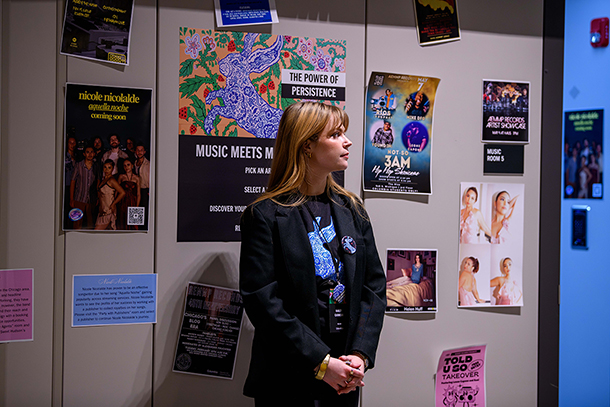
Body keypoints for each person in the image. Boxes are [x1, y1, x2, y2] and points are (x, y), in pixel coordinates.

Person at [239, 102, 386, 406]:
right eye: (335, 134)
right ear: (307, 145)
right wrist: (321, 363)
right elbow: (262, 301)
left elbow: (374, 289)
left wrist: (360, 354)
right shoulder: (264, 215)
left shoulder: (353, 210)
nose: (347, 142)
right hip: (287, 380)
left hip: (344, 376)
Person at [70, 145, 97, 229]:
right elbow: (73, 182)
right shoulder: (78, 166)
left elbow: (98, 183)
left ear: (94, 154)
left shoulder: (96, 166)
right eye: (87, 152)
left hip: (91, 200)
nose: (90, 154)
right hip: (79, 198)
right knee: (77, 223)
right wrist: (71, 199)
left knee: (90, 223)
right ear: (84, 154)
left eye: (92, 152)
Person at [95, 160, 125, 230]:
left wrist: (113, 204)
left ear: (113, 169)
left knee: (97, 231)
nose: (106, 170)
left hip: (108, 210)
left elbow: (122, 192)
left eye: (109, 168)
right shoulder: (103, 180)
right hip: (102, 210)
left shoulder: (112, 180)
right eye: (105, 167)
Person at [116, 158, 141, 230]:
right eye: (124, 166)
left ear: (132, 166)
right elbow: (117, 191)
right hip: (122, 202)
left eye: (128, 165)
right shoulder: (121, 176)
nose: (126, 167)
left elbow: (138, 194)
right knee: (122, 221)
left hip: (132, 201)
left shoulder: (137, 178)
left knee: (133, 223)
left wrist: (137, 206)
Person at [134, 142, 150, 230]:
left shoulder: (149, 164)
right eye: (138, 150)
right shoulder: (134, 163)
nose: (139, 152)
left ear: (144, 152)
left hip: (144, 191)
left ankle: (144, 230)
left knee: (144, 212)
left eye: (141, 150)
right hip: (135, 191)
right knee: (136, 211)